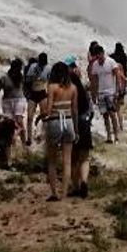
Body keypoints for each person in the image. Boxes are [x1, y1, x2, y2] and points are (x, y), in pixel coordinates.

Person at [39, 61, 79, 200]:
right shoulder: (73, 88)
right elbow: (74, 111)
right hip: (68, 122)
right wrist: (77, 129)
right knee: (67, 161)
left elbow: (48, 110)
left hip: (55, 121)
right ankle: (64, 193)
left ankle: (54, 193)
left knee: (52, 161)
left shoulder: (52, 87)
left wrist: (41, 116)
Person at [67, 57, 93, 198]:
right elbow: (90, 109)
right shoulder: (82, 90)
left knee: (73, 158)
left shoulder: (69, 91)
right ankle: (84, 181)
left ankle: (75, 187)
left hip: (73, 124)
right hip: (85, 123)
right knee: (84, 157)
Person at [88, 43, 125, 143]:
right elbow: (94, 81)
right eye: (96, 56)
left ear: (102, 53)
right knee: (105, 115)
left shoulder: (111, 62)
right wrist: (93, 94)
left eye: (99, 55)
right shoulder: (95, 65)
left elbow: (117, 75)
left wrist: (118, 90)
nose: (98, 58)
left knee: (112, 114)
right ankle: (108, 136)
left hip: (110, 92)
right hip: (101, 93)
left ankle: (116, 136)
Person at [0, 59, 26, 150]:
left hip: (19, 100)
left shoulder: (21, 77)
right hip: (7, 102)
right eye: (18, 68)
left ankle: (24, 145)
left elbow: (27, 88)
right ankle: (13, 145)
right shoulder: (4, 78)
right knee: (10, 124)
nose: (19, 70)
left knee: (19, 121)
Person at [23, 53, 49, 147]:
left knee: (44, 116)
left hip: (42, 93)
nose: (42, 65)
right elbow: (27, 80)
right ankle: (29, 138)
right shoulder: (33, 67)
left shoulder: (48, 68)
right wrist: (34, 76)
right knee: (30, 117)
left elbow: (50, 82)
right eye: (41, 63)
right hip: (33, 93)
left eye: (44, 64)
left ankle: (43, 135)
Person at [111, 43, 127, 132]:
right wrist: (123, 88)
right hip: (120, 88)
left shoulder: (113, 62)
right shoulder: (123, 58)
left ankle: (116, 127)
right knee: (118, 109)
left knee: (114, 109)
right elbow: (124, 78)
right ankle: (121, 126)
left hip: (113, 89)